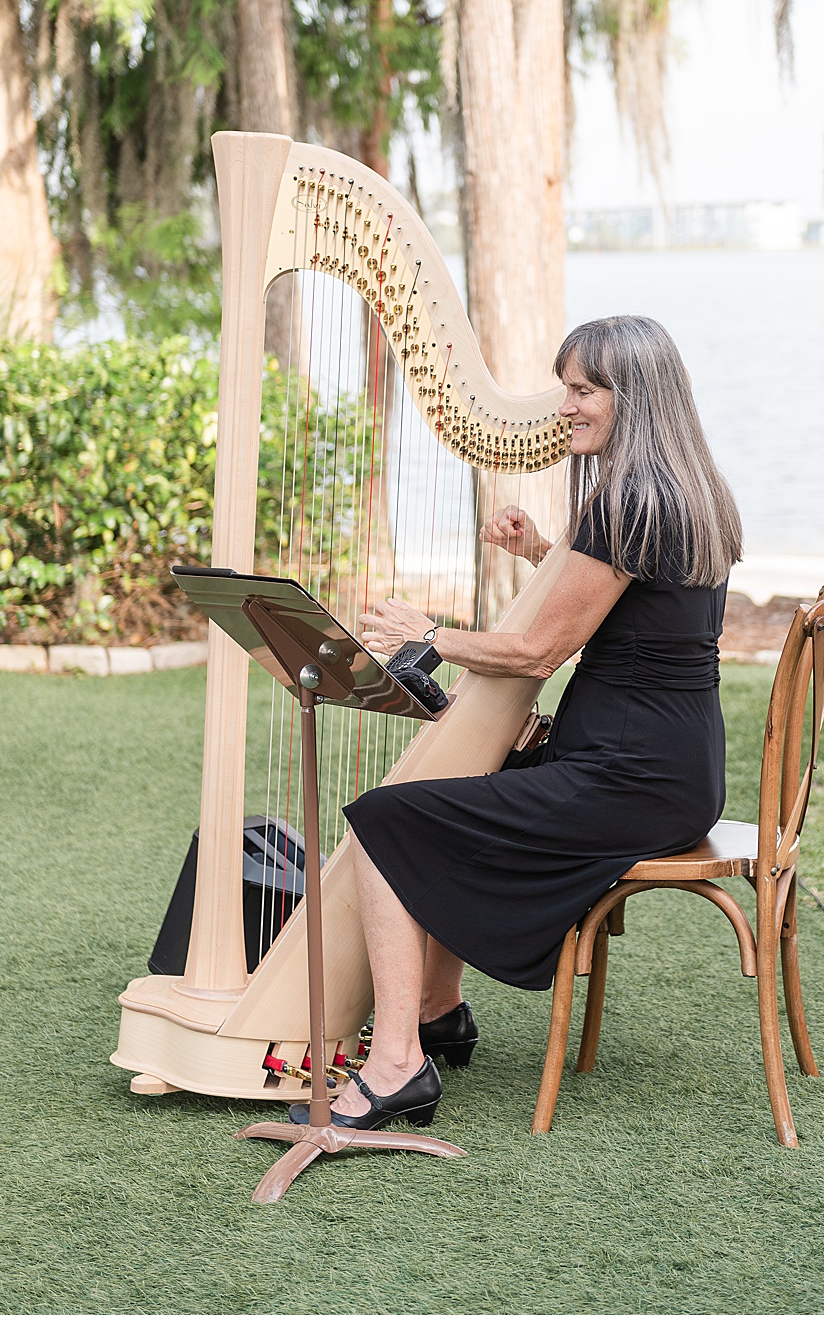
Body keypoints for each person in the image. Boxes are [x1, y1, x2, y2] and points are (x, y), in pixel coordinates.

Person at [299, 314, 743, 1131]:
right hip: (674, 769)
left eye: (582, 390)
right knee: (471, 780)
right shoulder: (684, 489)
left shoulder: (628, 500)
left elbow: (540, 652)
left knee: (381, 823)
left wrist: (426, 635)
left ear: (631, 398)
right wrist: (544, 549)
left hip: (627, 775)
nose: (564, 405)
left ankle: (397, 1064)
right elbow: (629, 609)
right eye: (566, 386)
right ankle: (437, 1010)